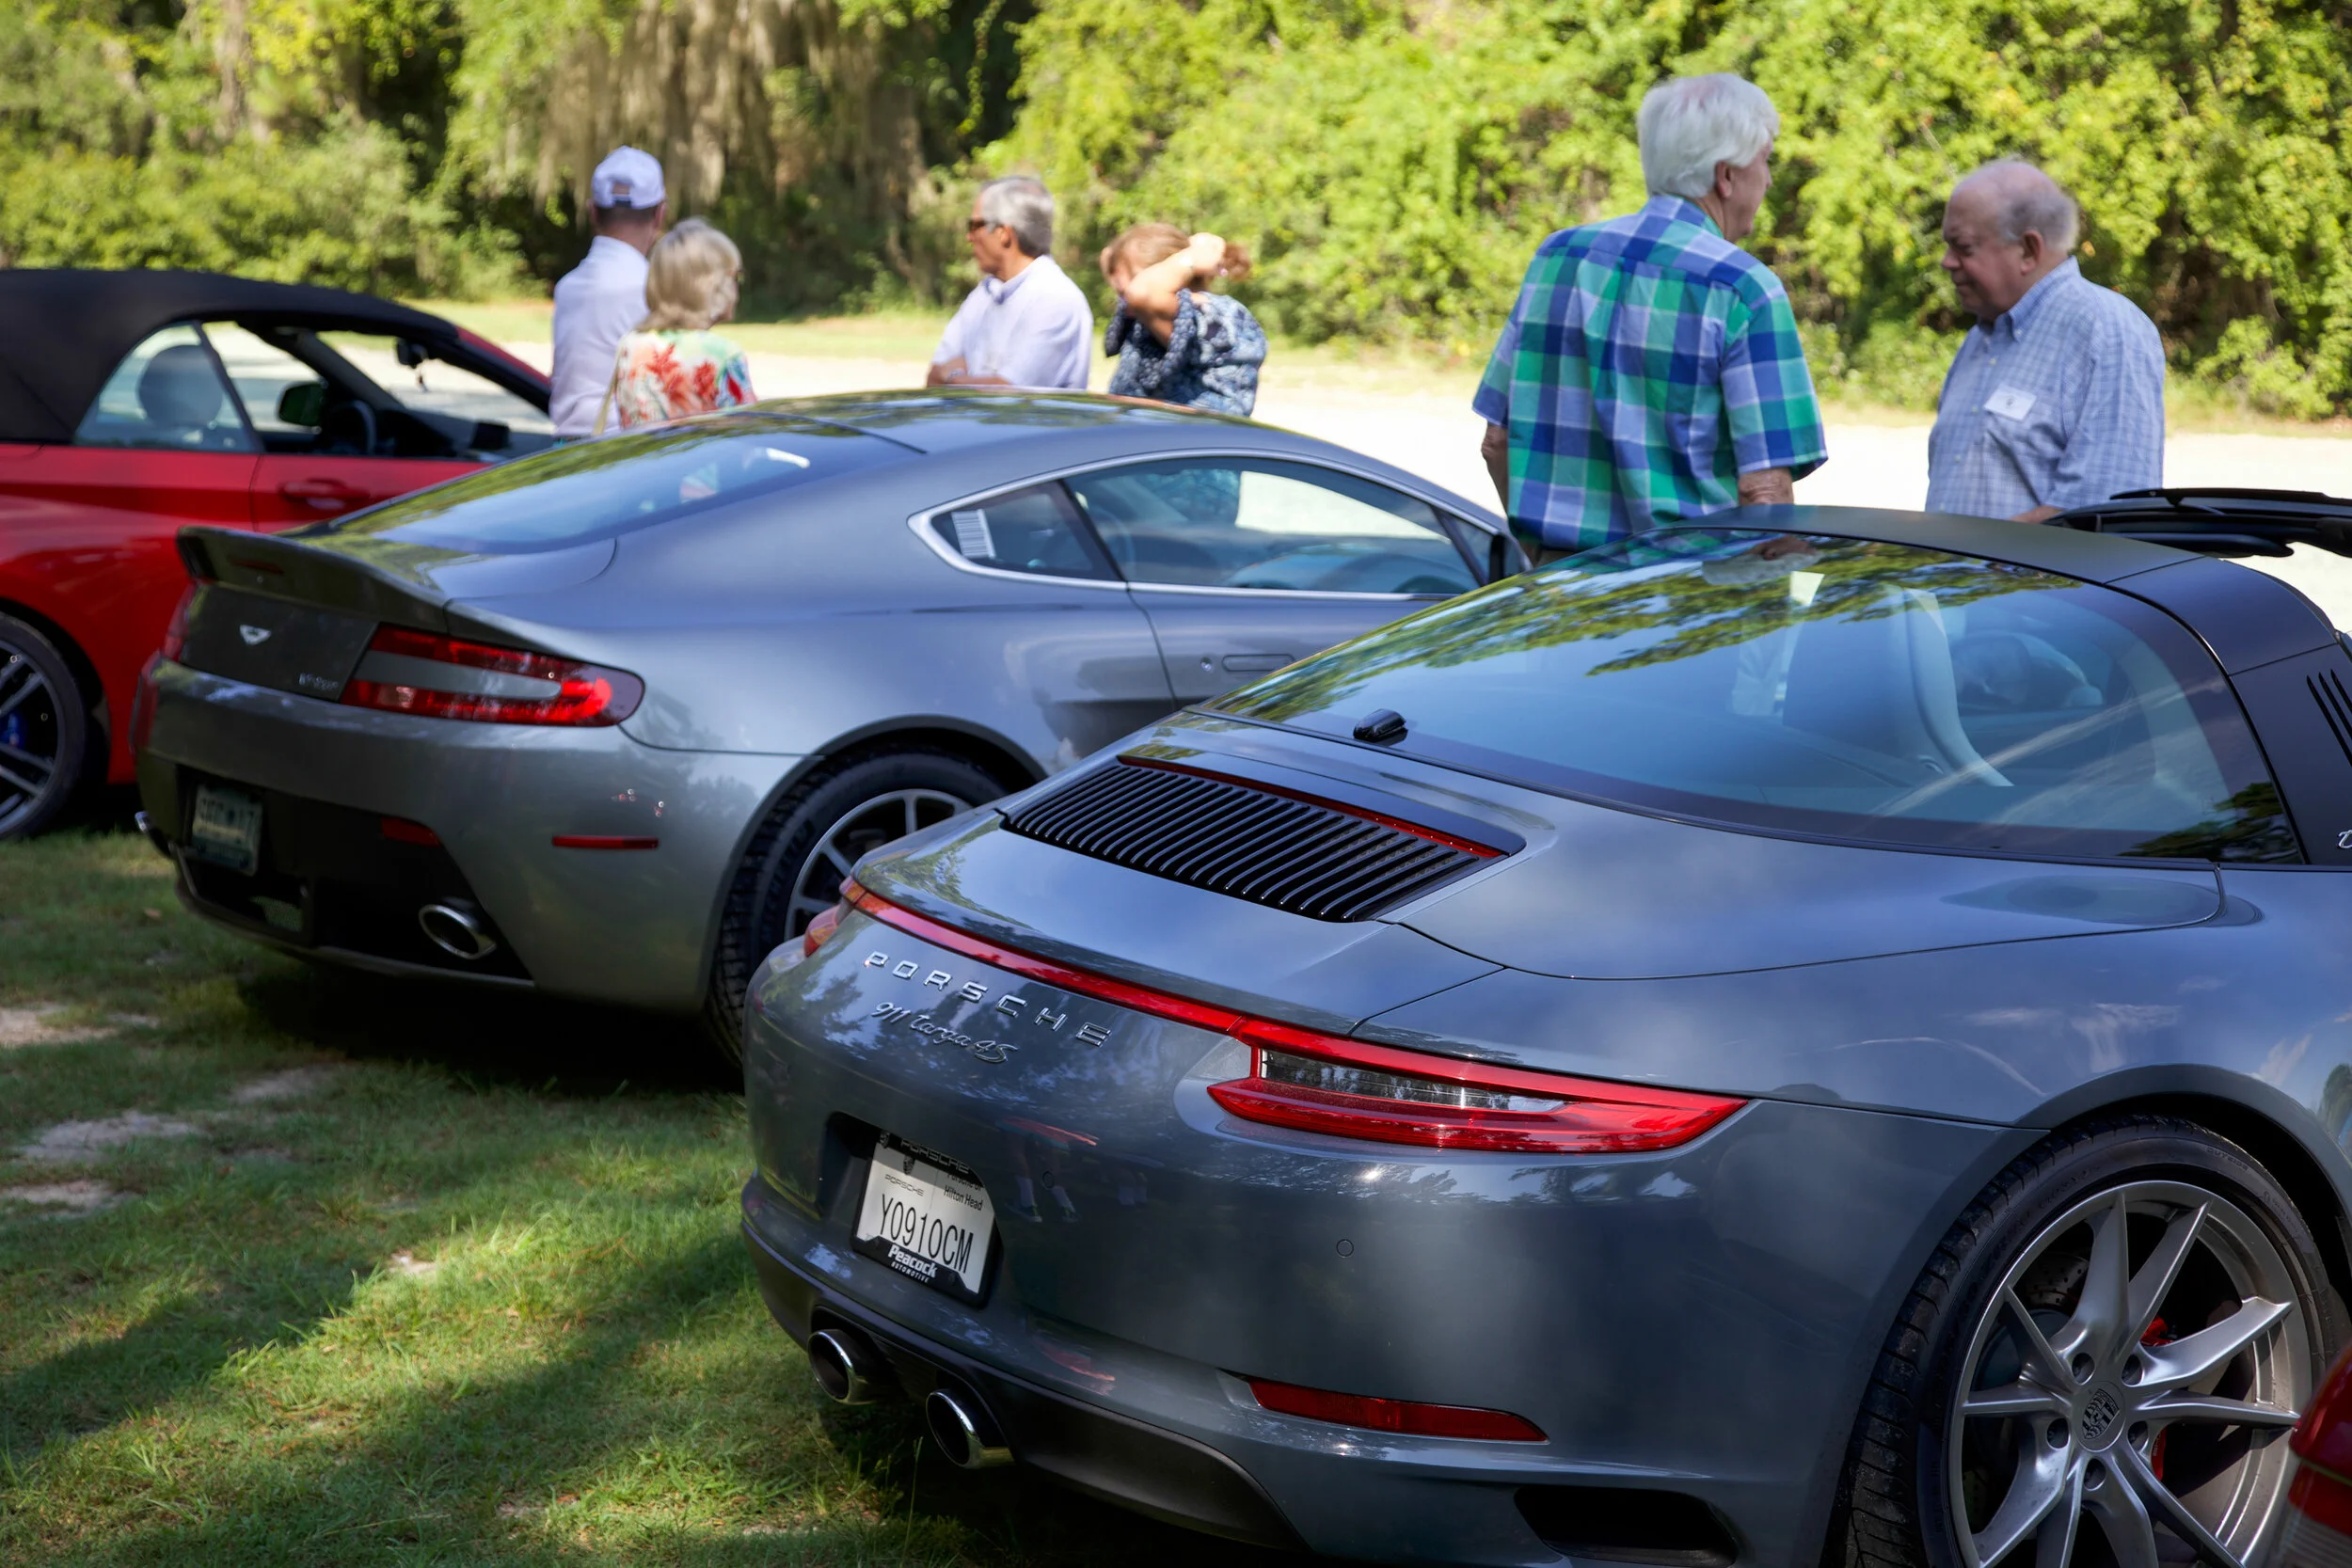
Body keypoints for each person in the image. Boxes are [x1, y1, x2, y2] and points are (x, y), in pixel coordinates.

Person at [1473, 74, 1826, 559]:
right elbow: (1762, 491)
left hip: (1559, 589)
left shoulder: (1557, 258)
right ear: (1725, 176)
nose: (1767, 180)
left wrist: (1543, 561)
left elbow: (1497, 442)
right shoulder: (1743, 290)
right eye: (1765, 161)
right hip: (1686, 593)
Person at [1926, 161, 2164, 522]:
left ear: (2028, 250)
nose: (1947, 262)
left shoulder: (2105, 330)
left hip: (2016, 566)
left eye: (1963, 248)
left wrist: (1969, 551)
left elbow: (2107, 514)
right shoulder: (1979, 339)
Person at [927, 177, 1091, 390]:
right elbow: (933, 377)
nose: (969, 237)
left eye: (975, 226)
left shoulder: (1056, 299)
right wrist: (954, 378)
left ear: (1004, 233)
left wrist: (951, 377)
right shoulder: (983, 294)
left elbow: (1009, 397)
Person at [550, 147, 668, 437]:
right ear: (660, 214)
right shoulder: (654, 288)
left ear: (592, 212)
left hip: (566, 449)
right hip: (626, 449)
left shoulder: (567, 288)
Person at [596, 218, 755, 431]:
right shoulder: (723, 354)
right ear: (713, 285)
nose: (736, 286)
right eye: (735, 276)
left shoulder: (631, 345)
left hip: (647, 454)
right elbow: (747, 432)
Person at [1098, 225, 1268, 416]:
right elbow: (1114, 265)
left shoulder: (1217, 317)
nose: (1122, 295)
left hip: (1199, 434)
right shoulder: (1149, 317)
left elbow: (1141, 293)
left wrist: (1193, 257)